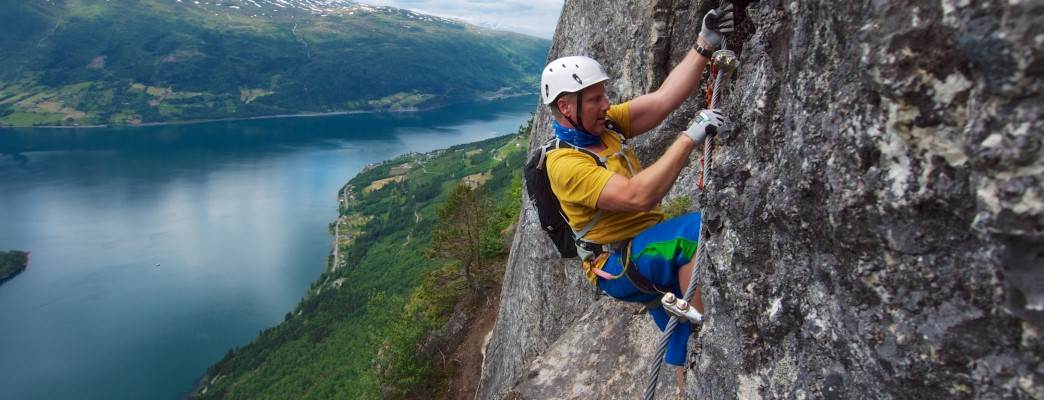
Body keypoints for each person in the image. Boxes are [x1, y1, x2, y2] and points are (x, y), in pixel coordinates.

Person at [540, 4, 734, 391]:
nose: (606, 104)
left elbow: (663, 100)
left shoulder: (606, 126)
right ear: (566, 107)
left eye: (603, 95)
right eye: (595, 99)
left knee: (686, 343)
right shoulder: (564, 164)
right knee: (695, 232)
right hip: (618, 263)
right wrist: (690, 137)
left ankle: (688, 386)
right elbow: (638, 195)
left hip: (642, 251)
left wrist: (703, 45)